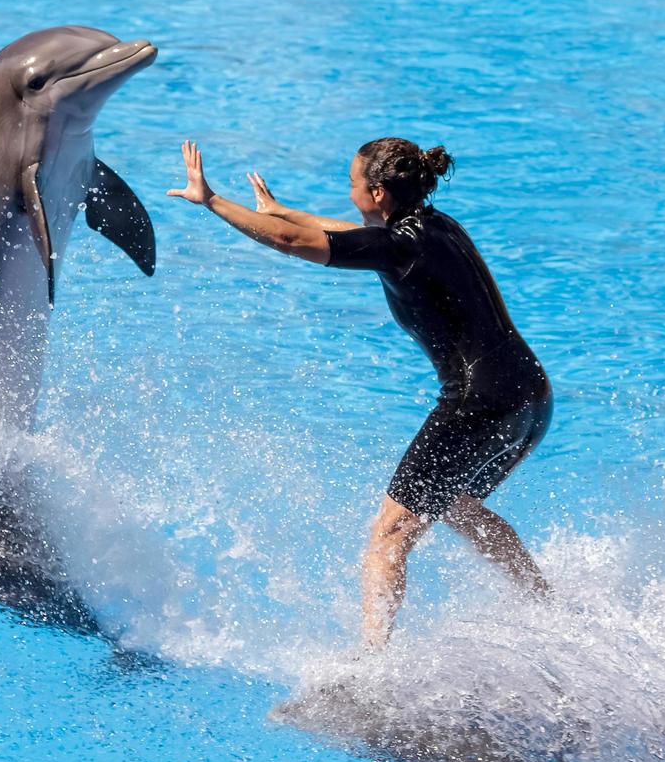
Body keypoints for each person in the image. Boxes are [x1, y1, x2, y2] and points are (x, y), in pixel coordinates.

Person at [168, 137, 553, 649]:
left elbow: (290, 242)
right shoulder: (434, 226)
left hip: (477, 404)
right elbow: (348, 235)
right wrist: (284, 210)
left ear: (376, 192)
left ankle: (373, 666)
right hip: (530, 396)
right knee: (455, 504)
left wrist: (214, 201)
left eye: (352, 185)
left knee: (389, 536)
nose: (348, 194)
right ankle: (547, 608)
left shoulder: (399, 246)